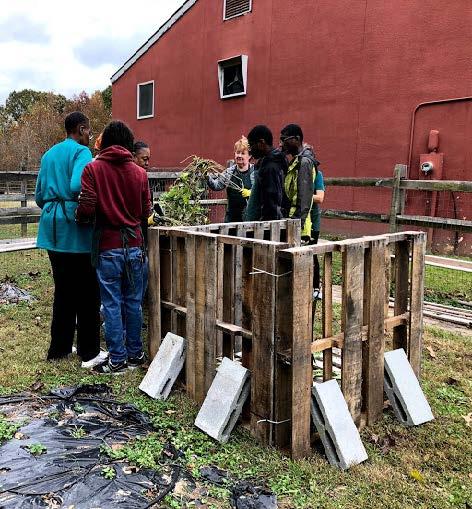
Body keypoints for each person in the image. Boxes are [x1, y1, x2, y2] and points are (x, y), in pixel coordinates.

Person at [76, 120, 152, 374]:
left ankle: (117, 359)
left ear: (105, 142)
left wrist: (81, 216)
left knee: (111, 304)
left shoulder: (93, 169)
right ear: (128, 144)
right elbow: (146, 212)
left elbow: (86, 208)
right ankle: (136, 354)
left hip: (108, 246)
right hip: (135, 246)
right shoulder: (140, 173)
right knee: (133, 302)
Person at [35, 111, 105, 368]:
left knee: (63, 291)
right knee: (88, 292)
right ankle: (89, 352)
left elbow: (39, 196)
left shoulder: (49, 154)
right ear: (82, 129)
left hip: (51, 228)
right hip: (74, 229)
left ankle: (60, 348)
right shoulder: (82, 153)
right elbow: (78, 185)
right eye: (88, 130)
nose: (89, 134)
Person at [279, 124, 316, 240]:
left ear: (297, 139)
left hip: (298, 226)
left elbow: (304, 198)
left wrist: (296, 224)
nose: (281, 144)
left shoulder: (304, 162)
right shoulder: (296, 161)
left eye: (284, 140)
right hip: (291, 222)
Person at [207, 136, 255, 222]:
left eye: (243, 153)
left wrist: (251, 192)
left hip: (249, 218)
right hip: (231, 218)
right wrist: (206, 176)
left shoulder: (255, 172)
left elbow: (262, 191)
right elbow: (216, 185)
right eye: (237, 152)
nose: (239, 156)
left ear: (250, 156)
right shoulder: (229, 172)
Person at [244, 125, 287, 221]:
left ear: (261, 143)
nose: (250, 150)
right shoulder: (277, 161)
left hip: (268, 227)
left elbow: (271, 202)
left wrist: (264, 226)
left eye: (251, 145)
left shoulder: (270, 167)